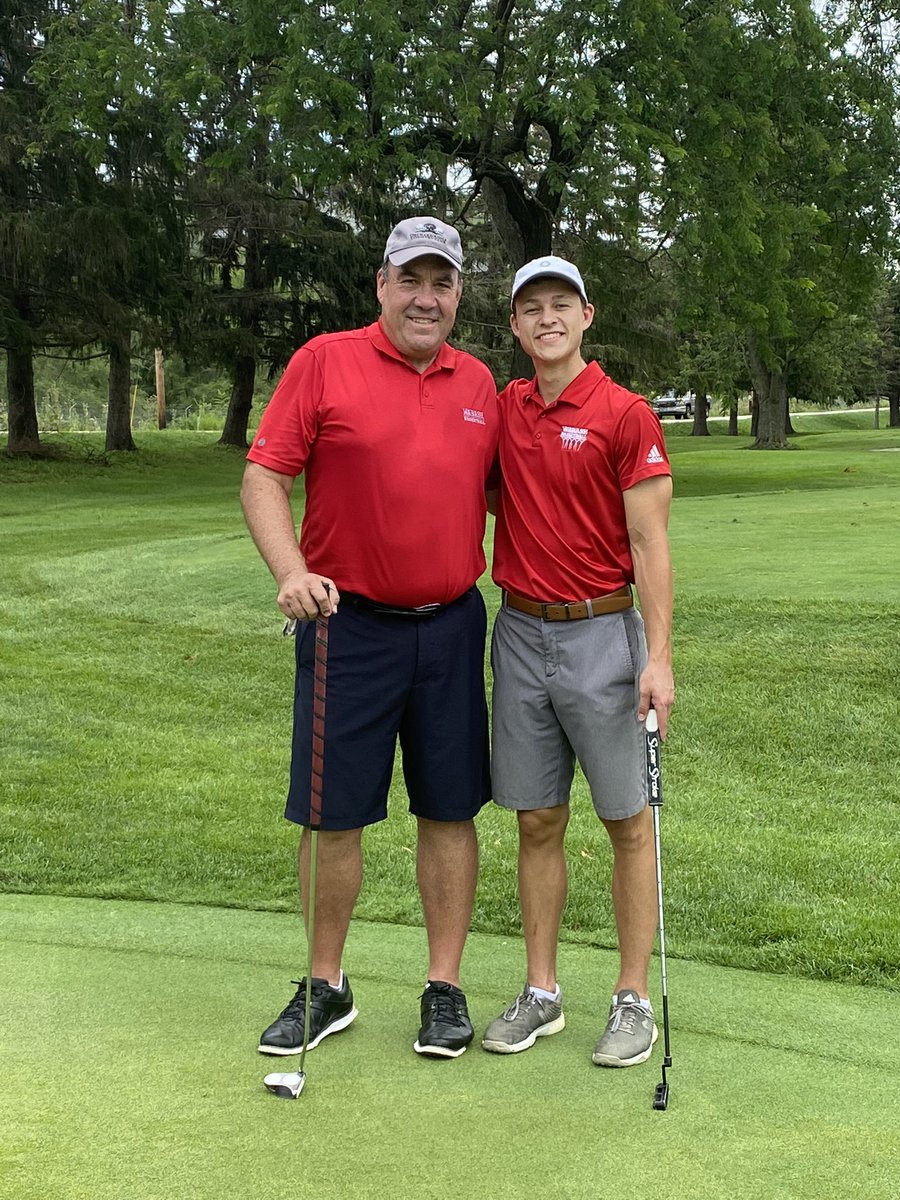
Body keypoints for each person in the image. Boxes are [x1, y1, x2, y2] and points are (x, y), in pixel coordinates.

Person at [240, 217, 499, 1060]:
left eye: (443, 283)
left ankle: (445, 988)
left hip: (453, 627)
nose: (427, 298)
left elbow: (516, 492)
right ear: (381, 284)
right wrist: (289, 569)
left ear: (458, 294)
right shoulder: (324, 361)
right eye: (412, 279)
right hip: (343, 625)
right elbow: (265, 474)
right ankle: (327, 984)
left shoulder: (481, 383)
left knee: (450, 807)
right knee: (331, 815)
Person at [481, 255, 675, 1067]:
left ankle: (633, 998)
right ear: (517, 325)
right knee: (536, 818)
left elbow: (649, 541)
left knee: (626, 821)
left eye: (561, 304)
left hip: (604, 634)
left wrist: (658, 656)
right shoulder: (504, 409)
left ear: (587, 316)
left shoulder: (625, 413)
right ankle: (543, 992)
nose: (547, 318)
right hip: (521, 633)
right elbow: (493, 495)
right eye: (532, 308)